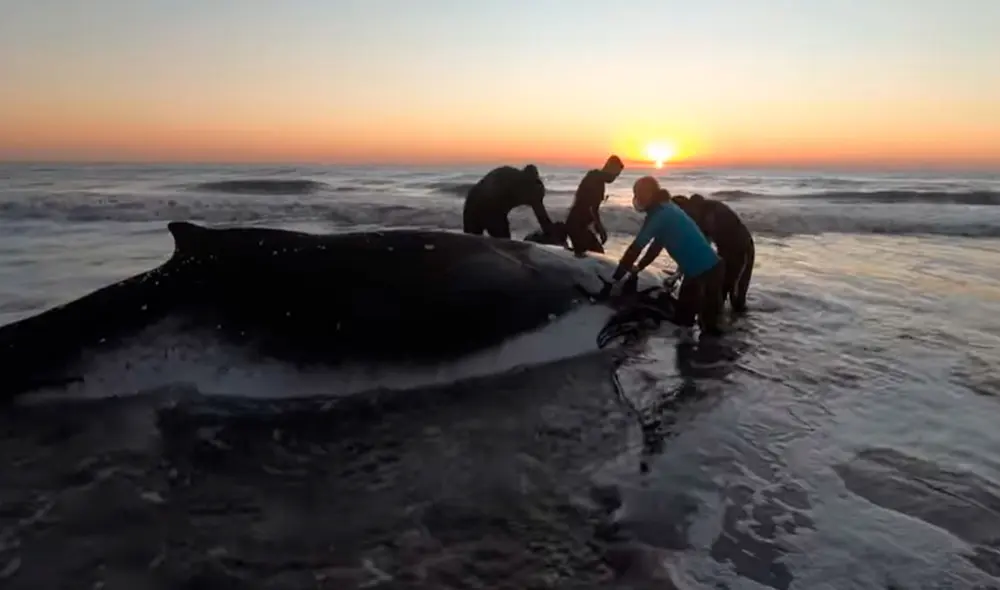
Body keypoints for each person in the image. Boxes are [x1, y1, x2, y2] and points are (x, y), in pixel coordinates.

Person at [605, 176, 726, 336]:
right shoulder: (667, 208)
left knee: (706, 327)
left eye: (639, 194)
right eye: (635, 194)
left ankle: (710, 357)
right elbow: (655, 247)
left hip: (706, 271)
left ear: (649, 194)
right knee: (685, 321)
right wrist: (638, 268)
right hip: (699, 271)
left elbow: (636, 248)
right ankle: (697, 355)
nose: (636, 199)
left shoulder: (660, 215)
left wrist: (616, 278)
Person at [672, 194, 755, 313]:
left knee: (735, 294)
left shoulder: (707, 212)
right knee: (721, 290)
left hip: (742, 248)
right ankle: (725, 321)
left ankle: (741, 327)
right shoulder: (701, 211)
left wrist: (681, 270)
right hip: (725, 250)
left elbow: (700, 244)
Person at [463, 164, 555, 239]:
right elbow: (488, 199)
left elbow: (542, 216)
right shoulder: (507, 177)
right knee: (499, 243)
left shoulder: (533, 188)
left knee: (499, 241)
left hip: (481, 201)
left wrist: (551, 231)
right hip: (478, 202)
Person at [565, 155, 624, 255]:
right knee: (592, 253)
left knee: (596, 252)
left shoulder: (597, 179)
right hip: (576, 226)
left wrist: (597, 226)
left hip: (580, 226)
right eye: (615, 175)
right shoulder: (595, 179)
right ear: (609, 168)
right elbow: (592, 208)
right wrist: (600, 229)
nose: (614, 179)